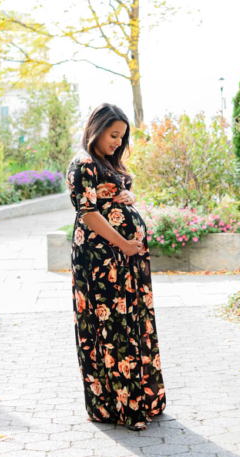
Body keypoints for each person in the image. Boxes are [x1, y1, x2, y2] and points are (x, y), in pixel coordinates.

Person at [66, 103, 166, 430]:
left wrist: (126, 200)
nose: (117, 142)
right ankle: (120, 408)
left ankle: (141, 401)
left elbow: (110, 201)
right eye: (113, 135)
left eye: (121, 137)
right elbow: (88, 214)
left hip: (124, 259)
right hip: (100, 259)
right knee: (111, 330)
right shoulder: (82, 164)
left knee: (131, 324)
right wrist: (123, 243)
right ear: (96, 129)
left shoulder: (106, 163)